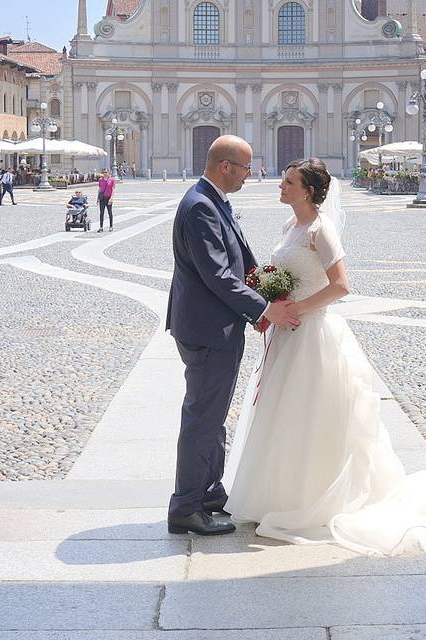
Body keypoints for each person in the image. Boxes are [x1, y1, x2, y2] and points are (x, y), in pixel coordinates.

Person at [223, 159, 426, 556]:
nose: (280, 185)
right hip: (288, 333)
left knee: (312, 415)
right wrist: (276, 300)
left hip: (312, 333)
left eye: (288, 182)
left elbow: (341, 285)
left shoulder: (321, 231)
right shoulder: (290, 226)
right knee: (283, 413)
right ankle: (278, 495)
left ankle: (315, 498)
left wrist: (299, 308)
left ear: (307, 190)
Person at [165, 135, 300, 537]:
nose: (249, 176)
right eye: (245, 169)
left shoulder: (210, 201)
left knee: (213, 415)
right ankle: (185, 506)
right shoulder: (200, 207)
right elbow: (218, 274)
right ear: (226, 166)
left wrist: (267, 285)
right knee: (202, 419)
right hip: (208, 329)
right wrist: (264, 307)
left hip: (214, 324)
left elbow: (238, 260)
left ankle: (207, 491)